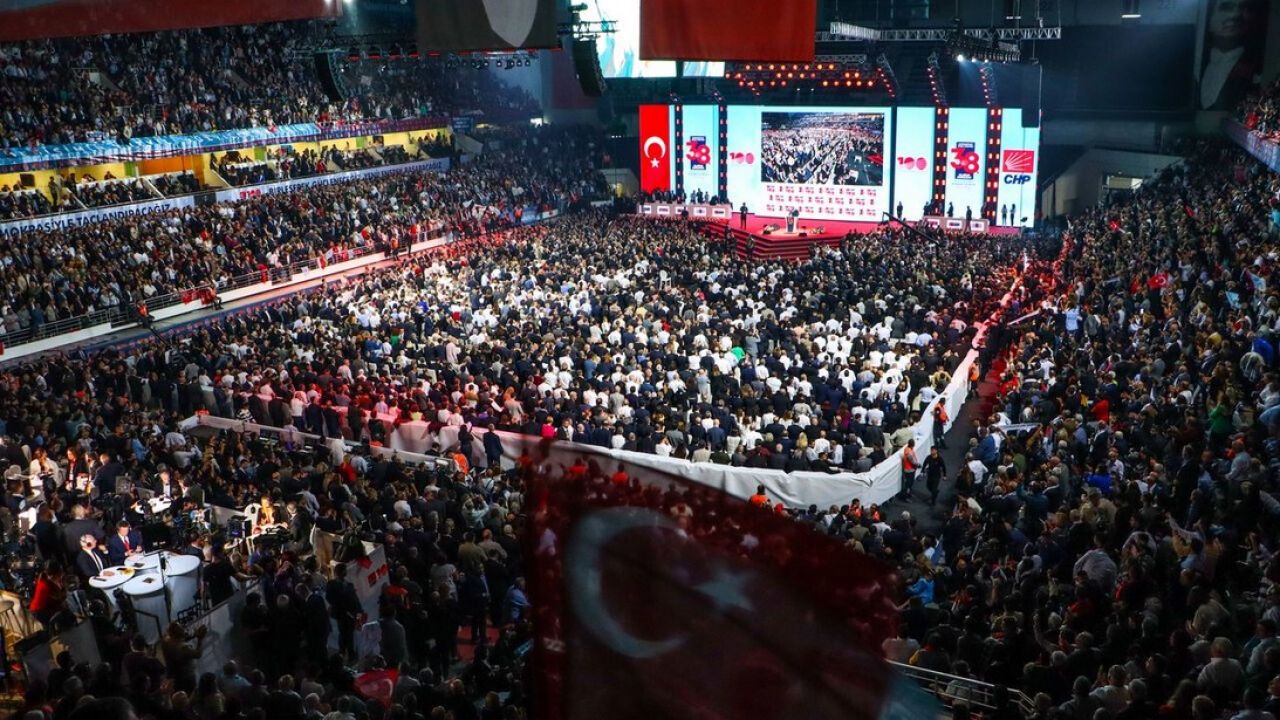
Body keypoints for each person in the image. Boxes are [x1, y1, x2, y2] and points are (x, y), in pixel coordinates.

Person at [1200, 0, 1268, 110]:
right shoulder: (1192, 65)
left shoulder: (1259, 66)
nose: (1235, 15)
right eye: (1226, 7)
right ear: (1210, 15)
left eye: (1245, 8)